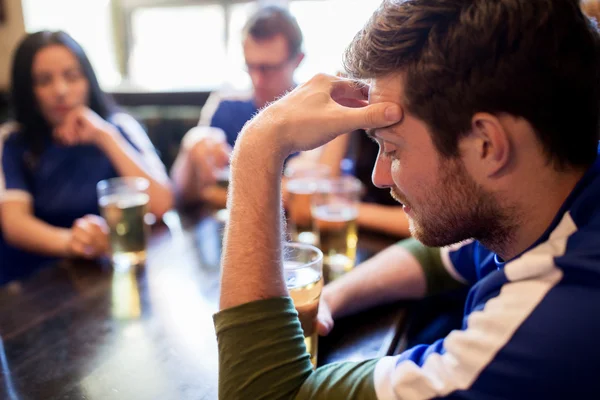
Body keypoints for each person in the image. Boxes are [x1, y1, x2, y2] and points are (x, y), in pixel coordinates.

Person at [214, 0, 600, 398]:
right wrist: (332, 297)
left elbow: (261, 393)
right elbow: (440, 258)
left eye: (393, 149)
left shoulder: (546, 327)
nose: (380, 176)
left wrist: (259, 146)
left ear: (486, 145)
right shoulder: (555, 197)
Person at [0, 31, 173, 285]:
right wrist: (73, 241)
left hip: (107, 275)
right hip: (32, 283)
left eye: (72, 76)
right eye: (43, 80)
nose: (60, 90)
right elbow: (15, 224)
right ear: (28, 90)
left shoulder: (118, 127)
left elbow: (161, 204)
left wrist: (104, 136)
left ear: (88, 80)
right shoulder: (13, 141)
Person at [171, 5, 304, 205]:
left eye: (268, 68)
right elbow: (181, 194)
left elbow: (307, 199)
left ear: (298, 61)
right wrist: (191, 145)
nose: (257, 80)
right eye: (250, 66)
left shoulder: (314, 112)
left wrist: (219, 192)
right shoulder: (226, 105)